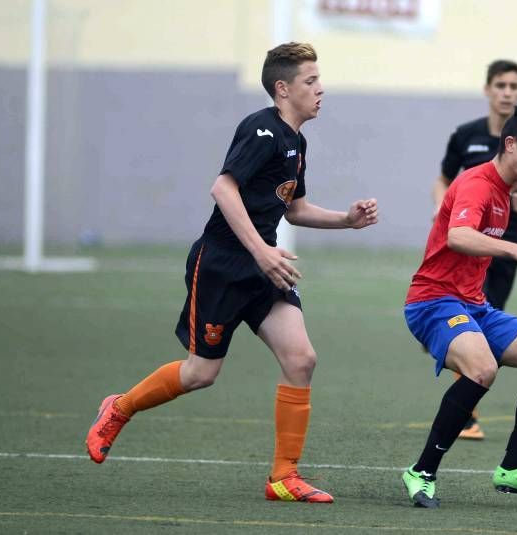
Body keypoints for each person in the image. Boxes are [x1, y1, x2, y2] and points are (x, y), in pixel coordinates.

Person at [85, 42, 378, 504]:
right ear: (283, 90)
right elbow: (223, 187)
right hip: (222, 265)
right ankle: (119, 408)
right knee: (201, 373)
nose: (321, 89)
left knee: (301, 359)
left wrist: (346, 219)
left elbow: (295, 208)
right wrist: (262, 250)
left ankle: (283, 477)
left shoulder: (296, 142)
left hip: (264, 266)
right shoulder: (260, 128)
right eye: (311, 81)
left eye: (319, 80)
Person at [402, 103, 517, 508]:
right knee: (482, 369)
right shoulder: (478, 183)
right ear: (511, 144)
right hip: (433, 302)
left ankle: (514, 467)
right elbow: (459, 236)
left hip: (474, 306)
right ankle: (421, 471)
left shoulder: (506, 192)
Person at [432, 60, 517, 440]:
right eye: (501, 85)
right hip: (481, 245)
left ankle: (471, 407)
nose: (508, 92)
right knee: (470, 330)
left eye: (514, 86)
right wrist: (444, 209)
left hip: (510, 247)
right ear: (488, 89)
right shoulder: (467, 138)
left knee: (488, 325)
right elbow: (445, 183)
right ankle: (467, 414)